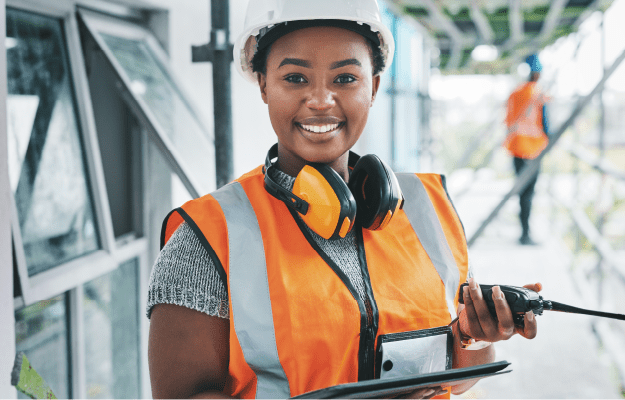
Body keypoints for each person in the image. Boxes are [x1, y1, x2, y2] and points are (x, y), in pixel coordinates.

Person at [147, 1, 541, 398]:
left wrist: (474, 337)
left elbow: (456, 374)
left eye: (346, 78)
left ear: (374, 87)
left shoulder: (427, 210)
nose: (320, 100)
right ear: (264, 84)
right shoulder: (208, 239)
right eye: (296, 78)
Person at [504, 53, 550, 246]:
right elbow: (546, 125)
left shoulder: (515, 93)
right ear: (537, 73)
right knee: (528, 194)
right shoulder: (538, 94)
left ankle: (524, 231)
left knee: (522, 193)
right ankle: (525, 234)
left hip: (516, 148)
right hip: (532, 151)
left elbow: (509, 119)